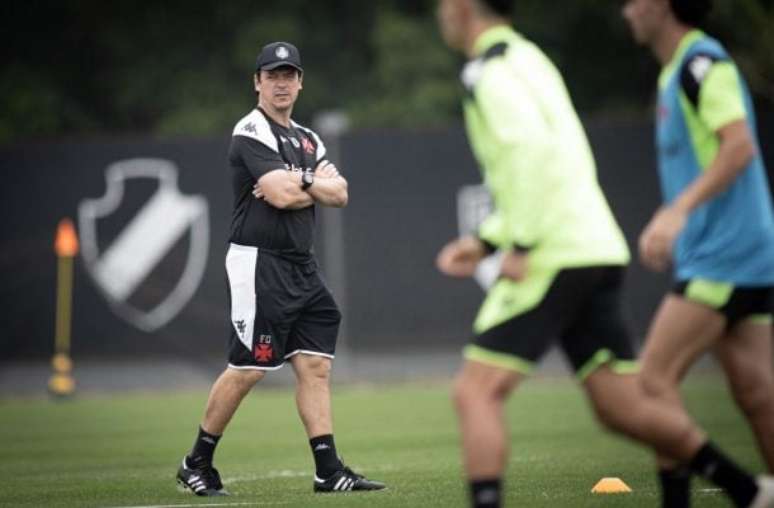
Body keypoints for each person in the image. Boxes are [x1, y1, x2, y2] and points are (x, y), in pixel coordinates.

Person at [435, 1, 774, 507]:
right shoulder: (533, 58)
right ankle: (746, 491)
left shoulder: (488, 71)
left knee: (476, 393)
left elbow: (527, 154)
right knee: (623, 405)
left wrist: (520, 242)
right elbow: (557, 154)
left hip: (561, 250)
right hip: (596, 245)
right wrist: (487, 239)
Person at [175, 41, 385, 496]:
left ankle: (328, 471)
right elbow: (283, 195)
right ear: (257, 82)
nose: (281, 82)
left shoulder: (307, 138)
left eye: (289, 75)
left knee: (314, 366)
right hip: (258, 261)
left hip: (300, 265)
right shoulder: (251, 129)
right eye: (272, 75)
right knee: (249, 367)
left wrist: (300, 179)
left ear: (301, 81)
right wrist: (310, 182)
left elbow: (341, 193)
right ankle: (196, 462)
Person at [622, 0, 774, 505]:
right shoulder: (674, 73)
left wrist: (677, 210)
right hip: (738, 254)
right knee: (757, 394)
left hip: (724, 256)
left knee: (650, 385)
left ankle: (739, 491)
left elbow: (739, 146)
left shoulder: (701, 63)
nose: (626, 11)